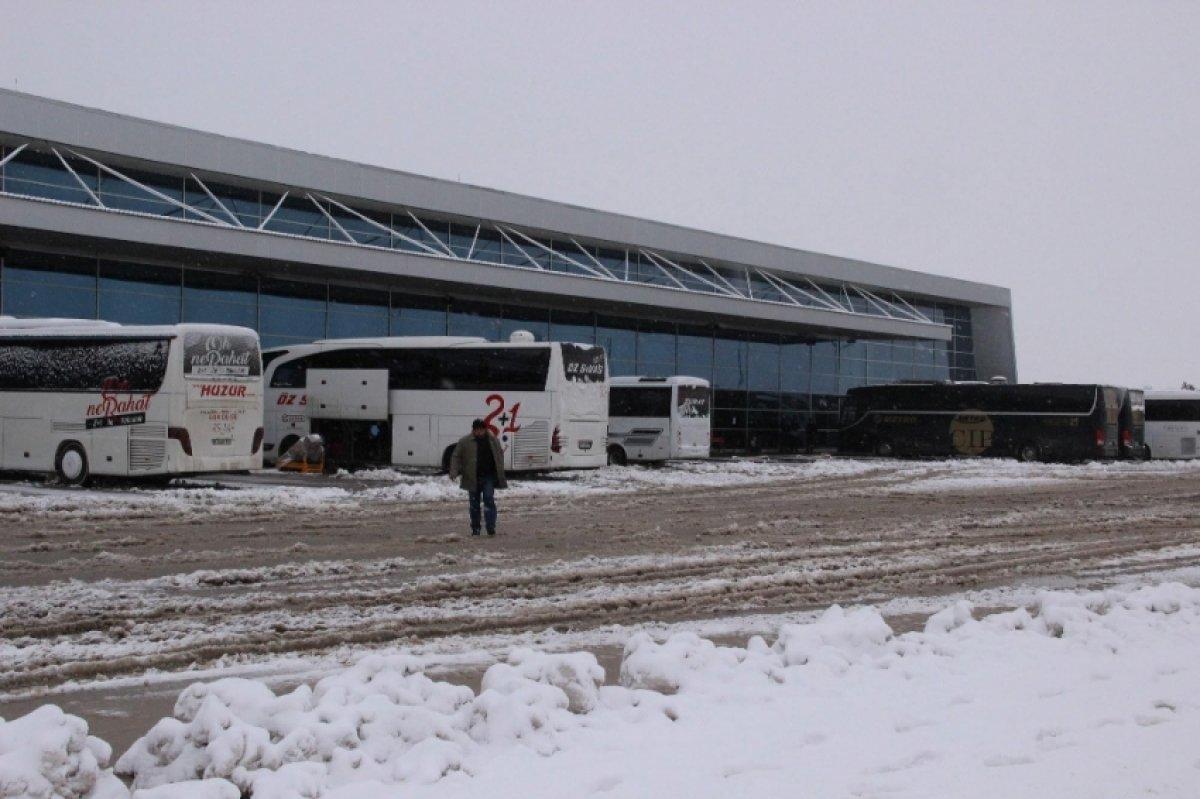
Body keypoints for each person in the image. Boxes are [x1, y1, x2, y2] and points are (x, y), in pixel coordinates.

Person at [449, 418, 507, 536]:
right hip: (472, 477)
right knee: (474, 504)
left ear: (485, 430)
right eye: (477, 430)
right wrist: (454, 471)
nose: (479, 432)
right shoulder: (465, 441)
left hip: (488, 476)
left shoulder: (492, 440)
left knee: (488, 499)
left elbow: (499, 455)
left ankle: (491, 527)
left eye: (481, 430)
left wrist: (499, 471)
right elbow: (456, 456)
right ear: (473, 430)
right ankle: (475, 528)